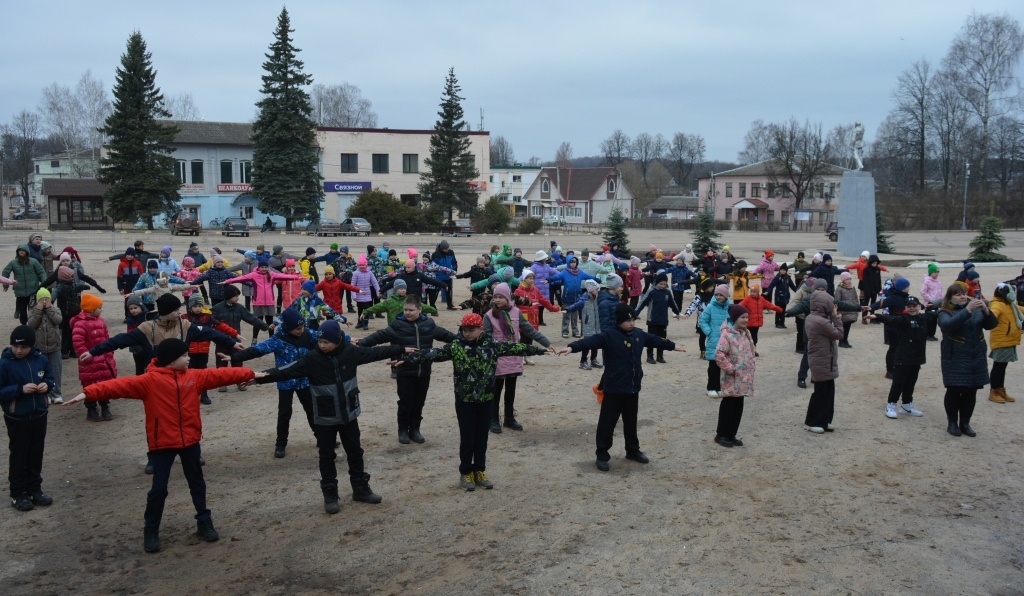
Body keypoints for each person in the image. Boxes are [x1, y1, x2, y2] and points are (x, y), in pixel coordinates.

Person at [64, 338, 261, 553]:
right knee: (158, 489)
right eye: (185, 356)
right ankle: (151, 530)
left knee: (197, 483)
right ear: (171, 360)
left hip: (190, 441)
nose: (189, 358)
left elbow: (223, 375)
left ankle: (204, 521)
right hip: (162, 443)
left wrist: (252, 374)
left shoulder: (194, 377)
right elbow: (116, 386)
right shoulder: (149, 381)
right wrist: (88, 393)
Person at [255, 319, 404, 513]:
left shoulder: (351, 352)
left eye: (326, 342)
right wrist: (258, 378)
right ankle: (330, 494)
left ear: (337, 340)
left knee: (355, 452)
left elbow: (376, 353)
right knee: (326, 456)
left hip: (349, 414)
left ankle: (360, 488)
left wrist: (401, 348)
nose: (322, 345)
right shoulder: (312, 359)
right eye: (319, 342)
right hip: (325, 417)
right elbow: (285, 371)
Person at [403, 312, 549, 490]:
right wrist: (406, 359)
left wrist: (541, 350)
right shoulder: (456, 346)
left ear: (481, 329)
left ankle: (479, 470)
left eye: (471, 330)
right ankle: (465, 472)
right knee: (467, 438)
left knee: (482, 437)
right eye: (464, 330)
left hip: (486, 399)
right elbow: (433, 353)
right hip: (465, 401)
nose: (467, 333)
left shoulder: (492, 345)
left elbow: (516, 348)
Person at [559, 303, 683, 471]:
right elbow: (590, 341)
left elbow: (655, 340)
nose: (631, 323)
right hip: (614, 388)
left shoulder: (639, 334)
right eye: (627, 320)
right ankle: (602, 455)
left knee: (631, 422)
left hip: (633, 387)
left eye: (633, 319)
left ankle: (632, 450)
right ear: (619, 321)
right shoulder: (609, 335)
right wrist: (572, 347)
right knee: (607, 424)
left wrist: (672, 346)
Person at [358, 295, 457, 444]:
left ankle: (415, 429)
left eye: (411, 310)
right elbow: (380, 336)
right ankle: (403, 429)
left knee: (419, 402)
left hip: (424, 371)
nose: (407, 313)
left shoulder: (428, 324)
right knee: (405, 402)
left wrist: (464, 341)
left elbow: (446, 335)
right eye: (405, 310)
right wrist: (362, 343)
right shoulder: (398, 325)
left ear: (420, 309)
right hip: (404, 370)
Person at [231, 308, 318, 458]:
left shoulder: (308, 334)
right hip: (284, 381)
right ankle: (280, 444)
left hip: (304, 380)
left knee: (312, 410)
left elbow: (328, 338)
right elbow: (257, 350)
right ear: (288, 327)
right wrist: (234, 357)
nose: (301, 330)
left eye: (303, 326)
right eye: (298, 328)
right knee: (284, 413)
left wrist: (348, 339)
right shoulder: (278, 339)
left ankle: (322, 438)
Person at [482, 283, 553, 432]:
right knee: (496, 390)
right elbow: (486, 339)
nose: (498, 300)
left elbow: (529, 330)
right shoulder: (489, 315)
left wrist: (546, 343)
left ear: (507, 297)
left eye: (501, 297)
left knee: (511, 389)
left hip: (514, 356)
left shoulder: (516, 312)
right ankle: (493, 419)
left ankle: (509, 418)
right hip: (498, 357)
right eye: (496, 297)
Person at [1, 326, 55, 511]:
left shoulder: (40, 360)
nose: (19, 350)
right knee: (19, 455)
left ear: (31, 346)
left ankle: (35, 489)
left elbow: (50, 378)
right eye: (16, 347)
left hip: (39, 413)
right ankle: (18, 493)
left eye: (23, 347)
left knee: (36, 452)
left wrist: (46, 385)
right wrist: (18, 390)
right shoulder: (5, 364)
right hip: (18, 417)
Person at [938, 282, 997, 437]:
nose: (963, 296)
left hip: (975, 357)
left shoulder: (977, 310)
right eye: (958, 294)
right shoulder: (945, 312)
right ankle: (952, 423)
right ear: (950, 297)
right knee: (954, 390)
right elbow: (948, 326)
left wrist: (986, 311)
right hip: (955, 357)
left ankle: (965, 423)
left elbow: (992, 325)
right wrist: (967, 310)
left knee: (971, 392)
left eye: (964, 293)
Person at [866, 296, 928, 419]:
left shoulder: (923, 318)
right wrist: (877, 316)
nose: (911, 308)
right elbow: (890, 320)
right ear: (905, 308)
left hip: (917, 357)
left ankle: (906, 404)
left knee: (911, 382)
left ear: (919, 307)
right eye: (909, 306)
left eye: (914, 306)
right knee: (898, 382)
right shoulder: (903, 319)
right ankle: (891, 404)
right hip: (903, 357)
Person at [713, 305, 755, 447]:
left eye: (747, 317)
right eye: (743, 317)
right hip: (731, 378)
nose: (745, 320)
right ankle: (721, 434)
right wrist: (731, 369)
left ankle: (731, 434)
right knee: (728, 406)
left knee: (738, 407)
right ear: (735, 318)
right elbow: (719, 354)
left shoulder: (745, 333)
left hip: (743, 378)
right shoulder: (727, 335)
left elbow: (750, 350)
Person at [803, 291, 844, 434]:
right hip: (821, 361)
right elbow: (839, 334)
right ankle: (811, 422)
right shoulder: (821, 321)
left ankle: (824, 420)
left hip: (825, 360)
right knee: (821, 393)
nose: (833, 306)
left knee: (828, 392)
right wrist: (836, 317)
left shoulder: (813, 317)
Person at [71, 294, 116, 422]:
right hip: (89, 362)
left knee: (104, 385)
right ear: (91, 309)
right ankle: (91, 409)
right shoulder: (80, 324)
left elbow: (106, 337)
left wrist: (109, 352)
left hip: (104, 360)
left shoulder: (101, 321)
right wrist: (87, 357)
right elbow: (78, 343)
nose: (101, 310)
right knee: (90, 386)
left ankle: (105, 406)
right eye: (99, 307)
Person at [634, 273, 681, 363]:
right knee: (651, 338)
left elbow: (672, 303)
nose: (662, 286)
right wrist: (635, 313)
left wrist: (677, 312)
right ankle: (650, 356)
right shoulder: (652, 291)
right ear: (657, 283)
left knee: (662, 339)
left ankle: (660, 356)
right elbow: (642, 302)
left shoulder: (667, 292)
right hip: (652, 320)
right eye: (661, 284)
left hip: (663, 320)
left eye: (664, 284)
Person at [986, 283, 1021, 404]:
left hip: (1008, 341)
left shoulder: (1009, 305)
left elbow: (1019, 309)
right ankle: (993, 391)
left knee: (1003, 367)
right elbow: (992, 315)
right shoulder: (997, 305)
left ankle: (1000, 390)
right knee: (998, 367)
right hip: (1001, 341)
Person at [27, 289, 63, 404]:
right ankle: (45, 394)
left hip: (55, 346)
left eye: (46, 299)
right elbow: (31, 324)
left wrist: (49, 309)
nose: (44, 302)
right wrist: (38, 311)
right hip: (40, 347)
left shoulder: (55, 309)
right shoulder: (33, 311)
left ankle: (57, 393)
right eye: (41, 300)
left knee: (56, 371)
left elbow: (58, 320)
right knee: (41, 372)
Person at [699, 284, 732, 397]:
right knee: (713, 365)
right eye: (716, 294)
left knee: (724, 366)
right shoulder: (710, 307)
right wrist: (710, 332)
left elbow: (733, 321)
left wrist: (731, 332)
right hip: (714, 340)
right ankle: (711, 388)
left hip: (727, 340)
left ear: (726, 296)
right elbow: (702, 320)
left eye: (721, 295)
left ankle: (721, 387)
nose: (718, 297)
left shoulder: (730, 307)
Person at [563, 279, 603, 369]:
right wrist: (567, 309)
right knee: (586, 344)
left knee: (595, 344)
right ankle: (583, 361)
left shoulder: (597, 298)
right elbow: (576, 305)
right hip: (588, 326)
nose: (598, 291)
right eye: (596, 289)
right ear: (590, 290)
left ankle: (593, 359)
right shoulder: (584, 300)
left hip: (596, 326)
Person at [3, 244, 47, 324]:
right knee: (22, 310)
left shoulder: (33, 261)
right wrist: (6, 285)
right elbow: (5, 273)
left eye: (23, 250)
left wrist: (44, 283)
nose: (21, 252)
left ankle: (33, 325)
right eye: (20, 250)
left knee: (33, 309)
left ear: (27, 252)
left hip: (33, 290)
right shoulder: (13, 263)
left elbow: (41, 272)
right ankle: (24, 325)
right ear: (17, 252)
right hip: (20, 291)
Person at [766, 263, 796, 329]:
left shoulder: (788, 278)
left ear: (786, 271)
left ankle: (782, 323)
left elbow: (793, 286)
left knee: (783, 310)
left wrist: (798, 291)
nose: (782, 271)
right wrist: (767, 291)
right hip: (778, 297)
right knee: (778, 310)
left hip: (785, 297)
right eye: (781, 270)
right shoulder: (777, 277)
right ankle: (777, 323)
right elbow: (772, 285)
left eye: (784, 270)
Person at [835, 272, 860, 348]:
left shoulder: (852, 288)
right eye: (847, 279)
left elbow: (856, 298)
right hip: (844, 311)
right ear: (843, 280)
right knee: (843, 326)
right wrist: (839, 312)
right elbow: (837, 301)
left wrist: (857, 308)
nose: (849, 281)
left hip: (851, 310)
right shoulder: (839, 289)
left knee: (848, 326)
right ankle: (841, 341)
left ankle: (845, 340)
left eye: (850, 279)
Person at [921, 263, 943, 341]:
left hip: (936, 304)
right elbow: (923, 292)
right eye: (935, 272)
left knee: (934, 320)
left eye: (938, 272)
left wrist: (941, 300)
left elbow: (940, 292)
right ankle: (927, 334)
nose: (936, 274)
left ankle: (932, 334)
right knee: (929, 320)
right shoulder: (927, 281)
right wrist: (931, 299)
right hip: (929, 304)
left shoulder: (938, 282)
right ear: (930, 273)